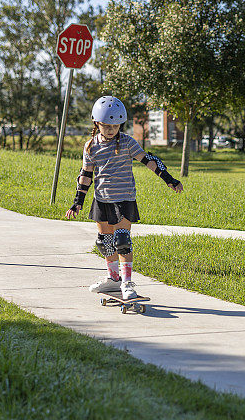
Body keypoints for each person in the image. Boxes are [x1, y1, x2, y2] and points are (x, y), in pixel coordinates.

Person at [65, 96, 183, 300]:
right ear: (97, 123)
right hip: (101, 199)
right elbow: (86, 175)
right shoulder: (91, 146)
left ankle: (127, 283)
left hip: (123, 199)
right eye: (106, 125)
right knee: (105, 242)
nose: (111, 129)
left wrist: (169, 179)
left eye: (116, 125)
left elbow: (149, 160)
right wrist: (77, 202)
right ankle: (113, 280)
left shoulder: (128, 142)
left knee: (122, 241)